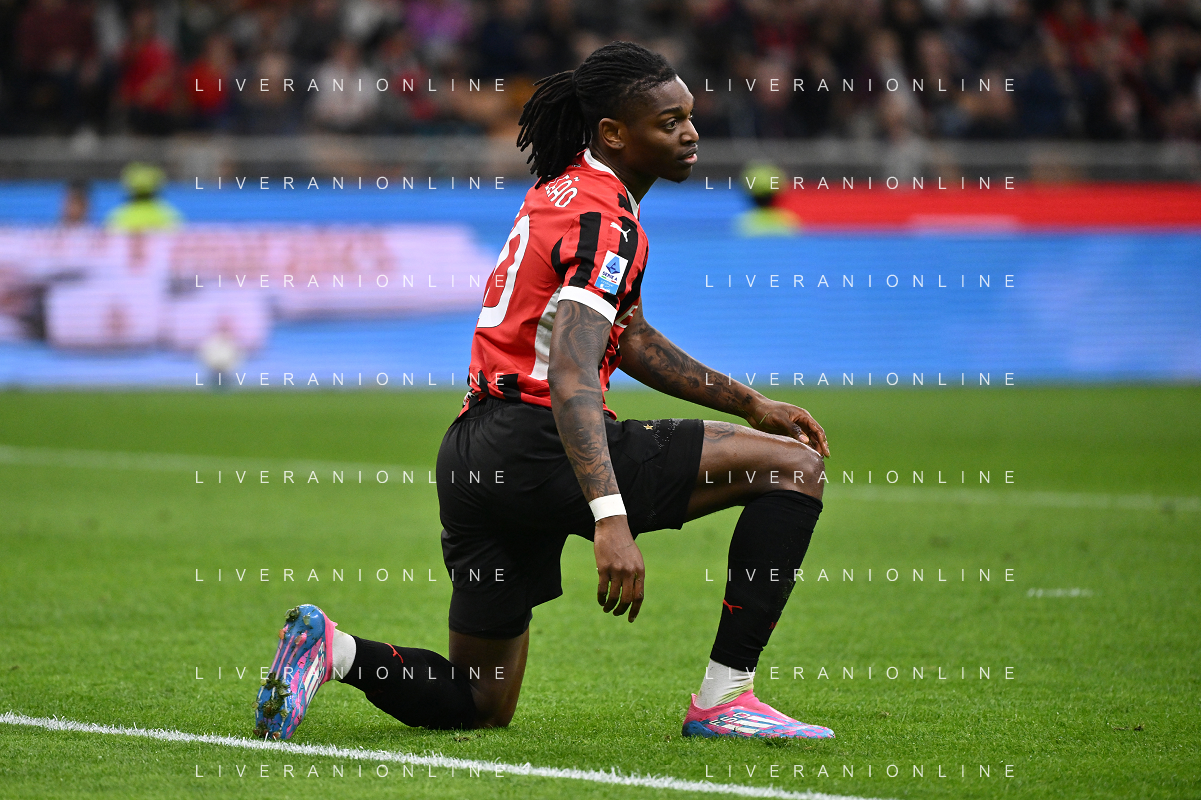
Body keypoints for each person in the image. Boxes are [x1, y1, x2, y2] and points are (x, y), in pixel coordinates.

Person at [254, 41, 835, 742]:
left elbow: (629, 336)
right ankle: (726, 698)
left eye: (688, 116)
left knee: (480, 701)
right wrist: (610, 518)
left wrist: (749, 404)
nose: (690, 133)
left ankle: (333, 650)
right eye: (669, 121)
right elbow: (570, 373)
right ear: (613, 133)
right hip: (539, 443)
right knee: (793, 468)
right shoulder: (606, 222)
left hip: (475, 453)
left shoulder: (561, 194)